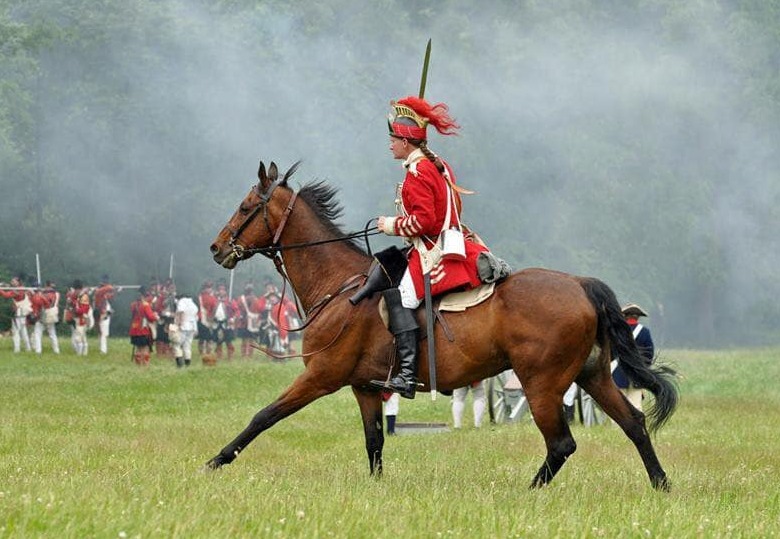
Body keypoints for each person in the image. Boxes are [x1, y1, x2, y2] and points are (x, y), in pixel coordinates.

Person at [357, 96, 488, 399]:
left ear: (405, 141)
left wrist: (390, 225)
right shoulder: (438, 165)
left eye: (393, 139)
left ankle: (405, 374)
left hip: (432, 250)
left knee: (400, 297)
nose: (390, 144)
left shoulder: (417, 172)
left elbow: (423, 222)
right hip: (453, 242)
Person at [612, 303, 655, 411]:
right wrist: (644, 369)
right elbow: (649, 354)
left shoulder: (618, 331)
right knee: (636, 404)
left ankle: (616, 427)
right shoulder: (645, 332)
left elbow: (611, 351)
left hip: (618, 371)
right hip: (637, 372)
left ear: (625, 316)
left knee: (618, 404)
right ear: (638, 317)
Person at [0, 276, 33, 353]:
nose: (12, 282)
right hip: (21, 313)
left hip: (19, 313)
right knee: (23, 331)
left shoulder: (18, 290)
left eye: (13, 281)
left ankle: (17, 349)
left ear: (18, 282)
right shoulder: (21, 288)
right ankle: (28, 348)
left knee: (16, 331)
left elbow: (6, 295)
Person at [129, 286, 159, 366]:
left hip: (134, 329)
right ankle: (145, 366)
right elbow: (151, 317)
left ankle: (138, 365)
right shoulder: (145, 305)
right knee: (145, 348)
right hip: (143, 329)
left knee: (138, 349)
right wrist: (156, 317)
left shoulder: (133, 305)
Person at [93, 275, 118, 355]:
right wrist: (112, 288)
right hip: (101, 314)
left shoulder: (102, 293)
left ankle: (102, 348)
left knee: (102, 333)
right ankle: (103, 351)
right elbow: (107, 289)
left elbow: (110, 297)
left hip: (103, 313)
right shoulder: (99, 292)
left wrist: (115, 291)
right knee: (103, 333)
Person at [213, 281, 238, 360]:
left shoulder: (230, 301)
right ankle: (218, 356)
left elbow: (237, 311)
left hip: (226, 323)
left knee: (228, 341)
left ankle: (230, 357)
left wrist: (233, 318)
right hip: (217, 322)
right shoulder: (214, 300)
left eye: (223, 290)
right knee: (218, 341)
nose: (221, 291)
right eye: (219, 289)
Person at [173, 292, 199, 367]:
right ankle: (187, 363)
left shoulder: (182, 302)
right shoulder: (193, 304)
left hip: (183, 326)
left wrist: (178, 325)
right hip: (192, 327)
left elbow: (181, 312)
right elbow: (195, 317)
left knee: (177, 345)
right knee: (187, 346)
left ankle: (180, 364)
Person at [37, 280, 61, 354]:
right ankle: (56, 350)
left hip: (45, 313)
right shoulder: (56, 294)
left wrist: (40, 294)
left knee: (38, 333)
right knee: (52, 333)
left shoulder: (44, 294)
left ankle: (38, 350)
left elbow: (43, 303)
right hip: (53, 313)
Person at [197, 280, 217, 357]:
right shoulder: (203, 297)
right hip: (202, 318)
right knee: (203, 338)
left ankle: (206, 353)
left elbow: (213, 309)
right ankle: (203, 353)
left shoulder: (211, 298)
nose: (208, 289)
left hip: (207, 319)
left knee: (207, 338)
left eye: (210, 287)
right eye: (207, 288)